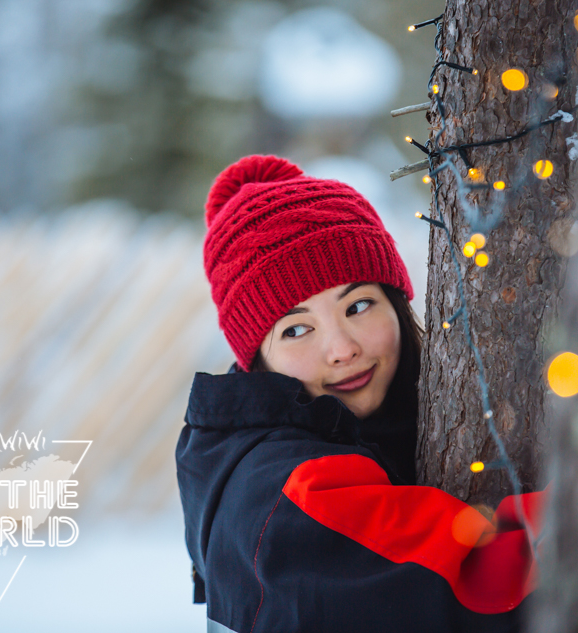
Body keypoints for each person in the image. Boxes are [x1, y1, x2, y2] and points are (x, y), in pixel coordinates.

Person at [175, 155, 546, 633]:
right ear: (257, 358)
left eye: (359, 304)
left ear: (394, 299)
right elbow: (482, 581)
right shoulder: (290, 492)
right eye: (295, 330)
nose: (342, 349)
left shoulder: (360, 429)